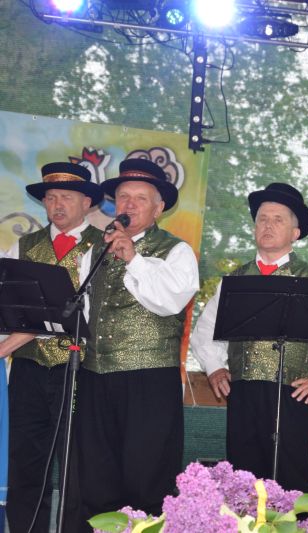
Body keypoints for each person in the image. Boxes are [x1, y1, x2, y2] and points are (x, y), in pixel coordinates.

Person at [191, 183, 308, 493]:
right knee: (242, 481)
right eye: (262, 218)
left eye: (277, 219)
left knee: (290, 479)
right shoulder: (234, 281)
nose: (267, 225)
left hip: (292, 395)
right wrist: (214, 367)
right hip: (242, 393)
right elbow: (205, 330)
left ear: (295, 233)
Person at [75, 159, 199, 525]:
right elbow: (86, 309)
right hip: (96, 376)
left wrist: (133, 258)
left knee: (146, 480)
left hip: (149, 379)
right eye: (122, 197)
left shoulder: (176, 251)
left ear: (158, 209)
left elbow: (169, 301)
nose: (128, 204)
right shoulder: (94, 251)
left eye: (140, 198)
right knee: (95, 478)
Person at [0, 162, 104, 533]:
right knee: (25, 462)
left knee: (77, 463)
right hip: (28, 370)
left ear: (87, 203)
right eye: (50, 197)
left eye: (66, 197)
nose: (57, 205)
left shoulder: (104, 247)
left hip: (78, 370)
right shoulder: (23, 246)